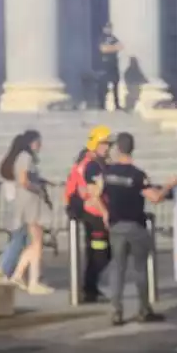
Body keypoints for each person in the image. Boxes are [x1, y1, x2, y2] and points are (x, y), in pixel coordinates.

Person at [102, 132, 177, 325]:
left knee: (117, 269)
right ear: (132, 148)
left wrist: (105, 213)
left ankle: (116, 311)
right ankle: (144, 309)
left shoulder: (108, 172)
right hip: (135, 226)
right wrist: (169, 185)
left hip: (116, 225)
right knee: (140, 270)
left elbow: (95, 194)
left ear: (117, 148)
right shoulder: (137, 174)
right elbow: (155, 198)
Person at [0, 131, 51, 293]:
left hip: (29, 202)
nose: (40, 145)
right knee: (37, 242)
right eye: (38, 142)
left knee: (36, 242)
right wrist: (38, 188)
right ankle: (28, 278)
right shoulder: (25, 158)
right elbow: (23, 181)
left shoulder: (24, 158)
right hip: (30, 203)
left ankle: (22, 276)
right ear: (31, 142)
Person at [64, 125, 112, 304]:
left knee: (98, 253)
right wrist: (105, 213)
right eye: (104, 143)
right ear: (95, 144)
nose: (107, 147)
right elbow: (94, 193)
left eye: (108, 143)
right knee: (100, 253)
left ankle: (90, 288)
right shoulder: (92, 165)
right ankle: (89, 288)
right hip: (94, 214)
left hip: (92, 213)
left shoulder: (89, 161)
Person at [97, 22, 123, 111]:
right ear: (104, 29)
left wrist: (110, 48)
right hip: (104, 65)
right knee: (104, 86)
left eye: (110, 28)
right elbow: (103, 49)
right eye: (107, 28)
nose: (109, 29)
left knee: (116, 84)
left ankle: (117, 104)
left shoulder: (114, 38)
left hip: (113, 65)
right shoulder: (101, 38)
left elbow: (120, 46)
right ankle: (101, 105)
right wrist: (113, 48)